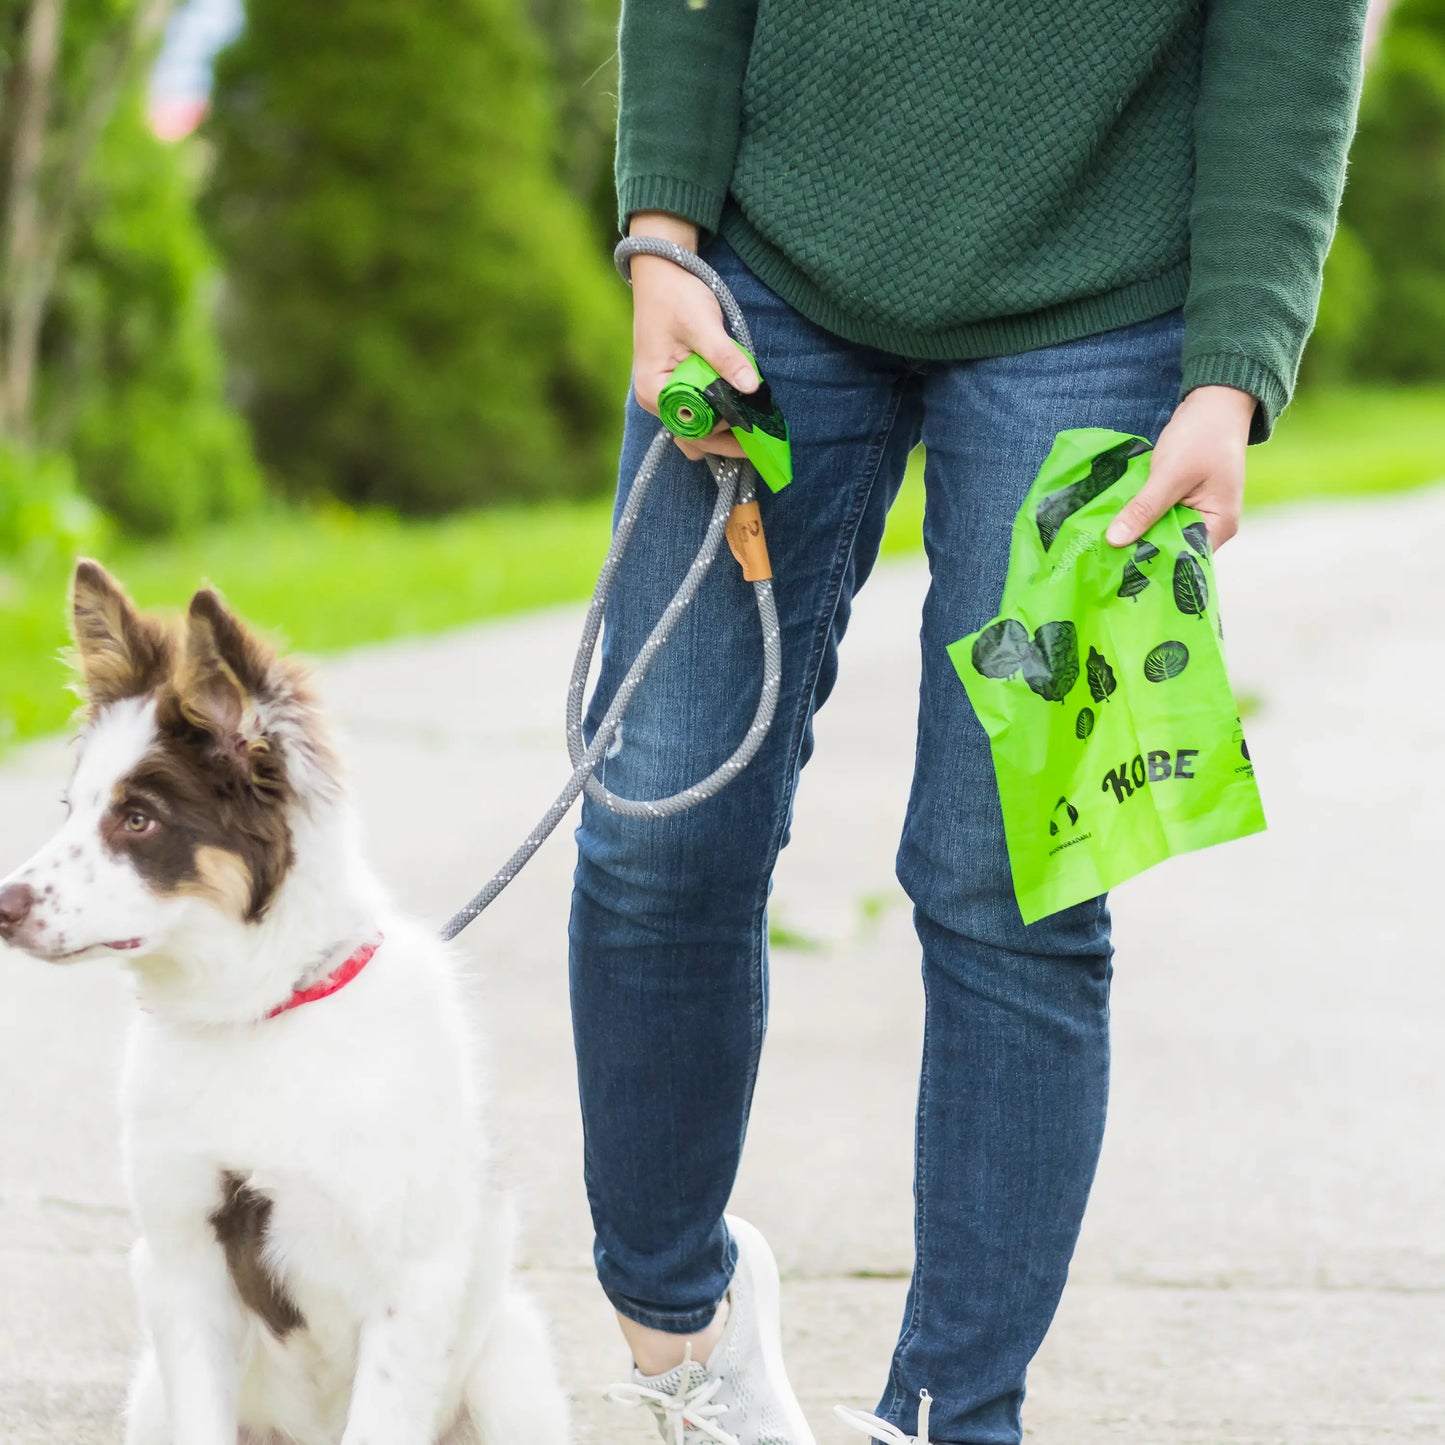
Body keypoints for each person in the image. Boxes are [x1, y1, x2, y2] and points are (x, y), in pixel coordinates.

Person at [569, 3, 1369, 1442]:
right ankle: (676, 1334)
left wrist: (1233, 359)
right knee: (660, 816)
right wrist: (661, 231)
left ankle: (951, 1413)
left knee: (1009, 882)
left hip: (1104, 307)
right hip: (765, 259)